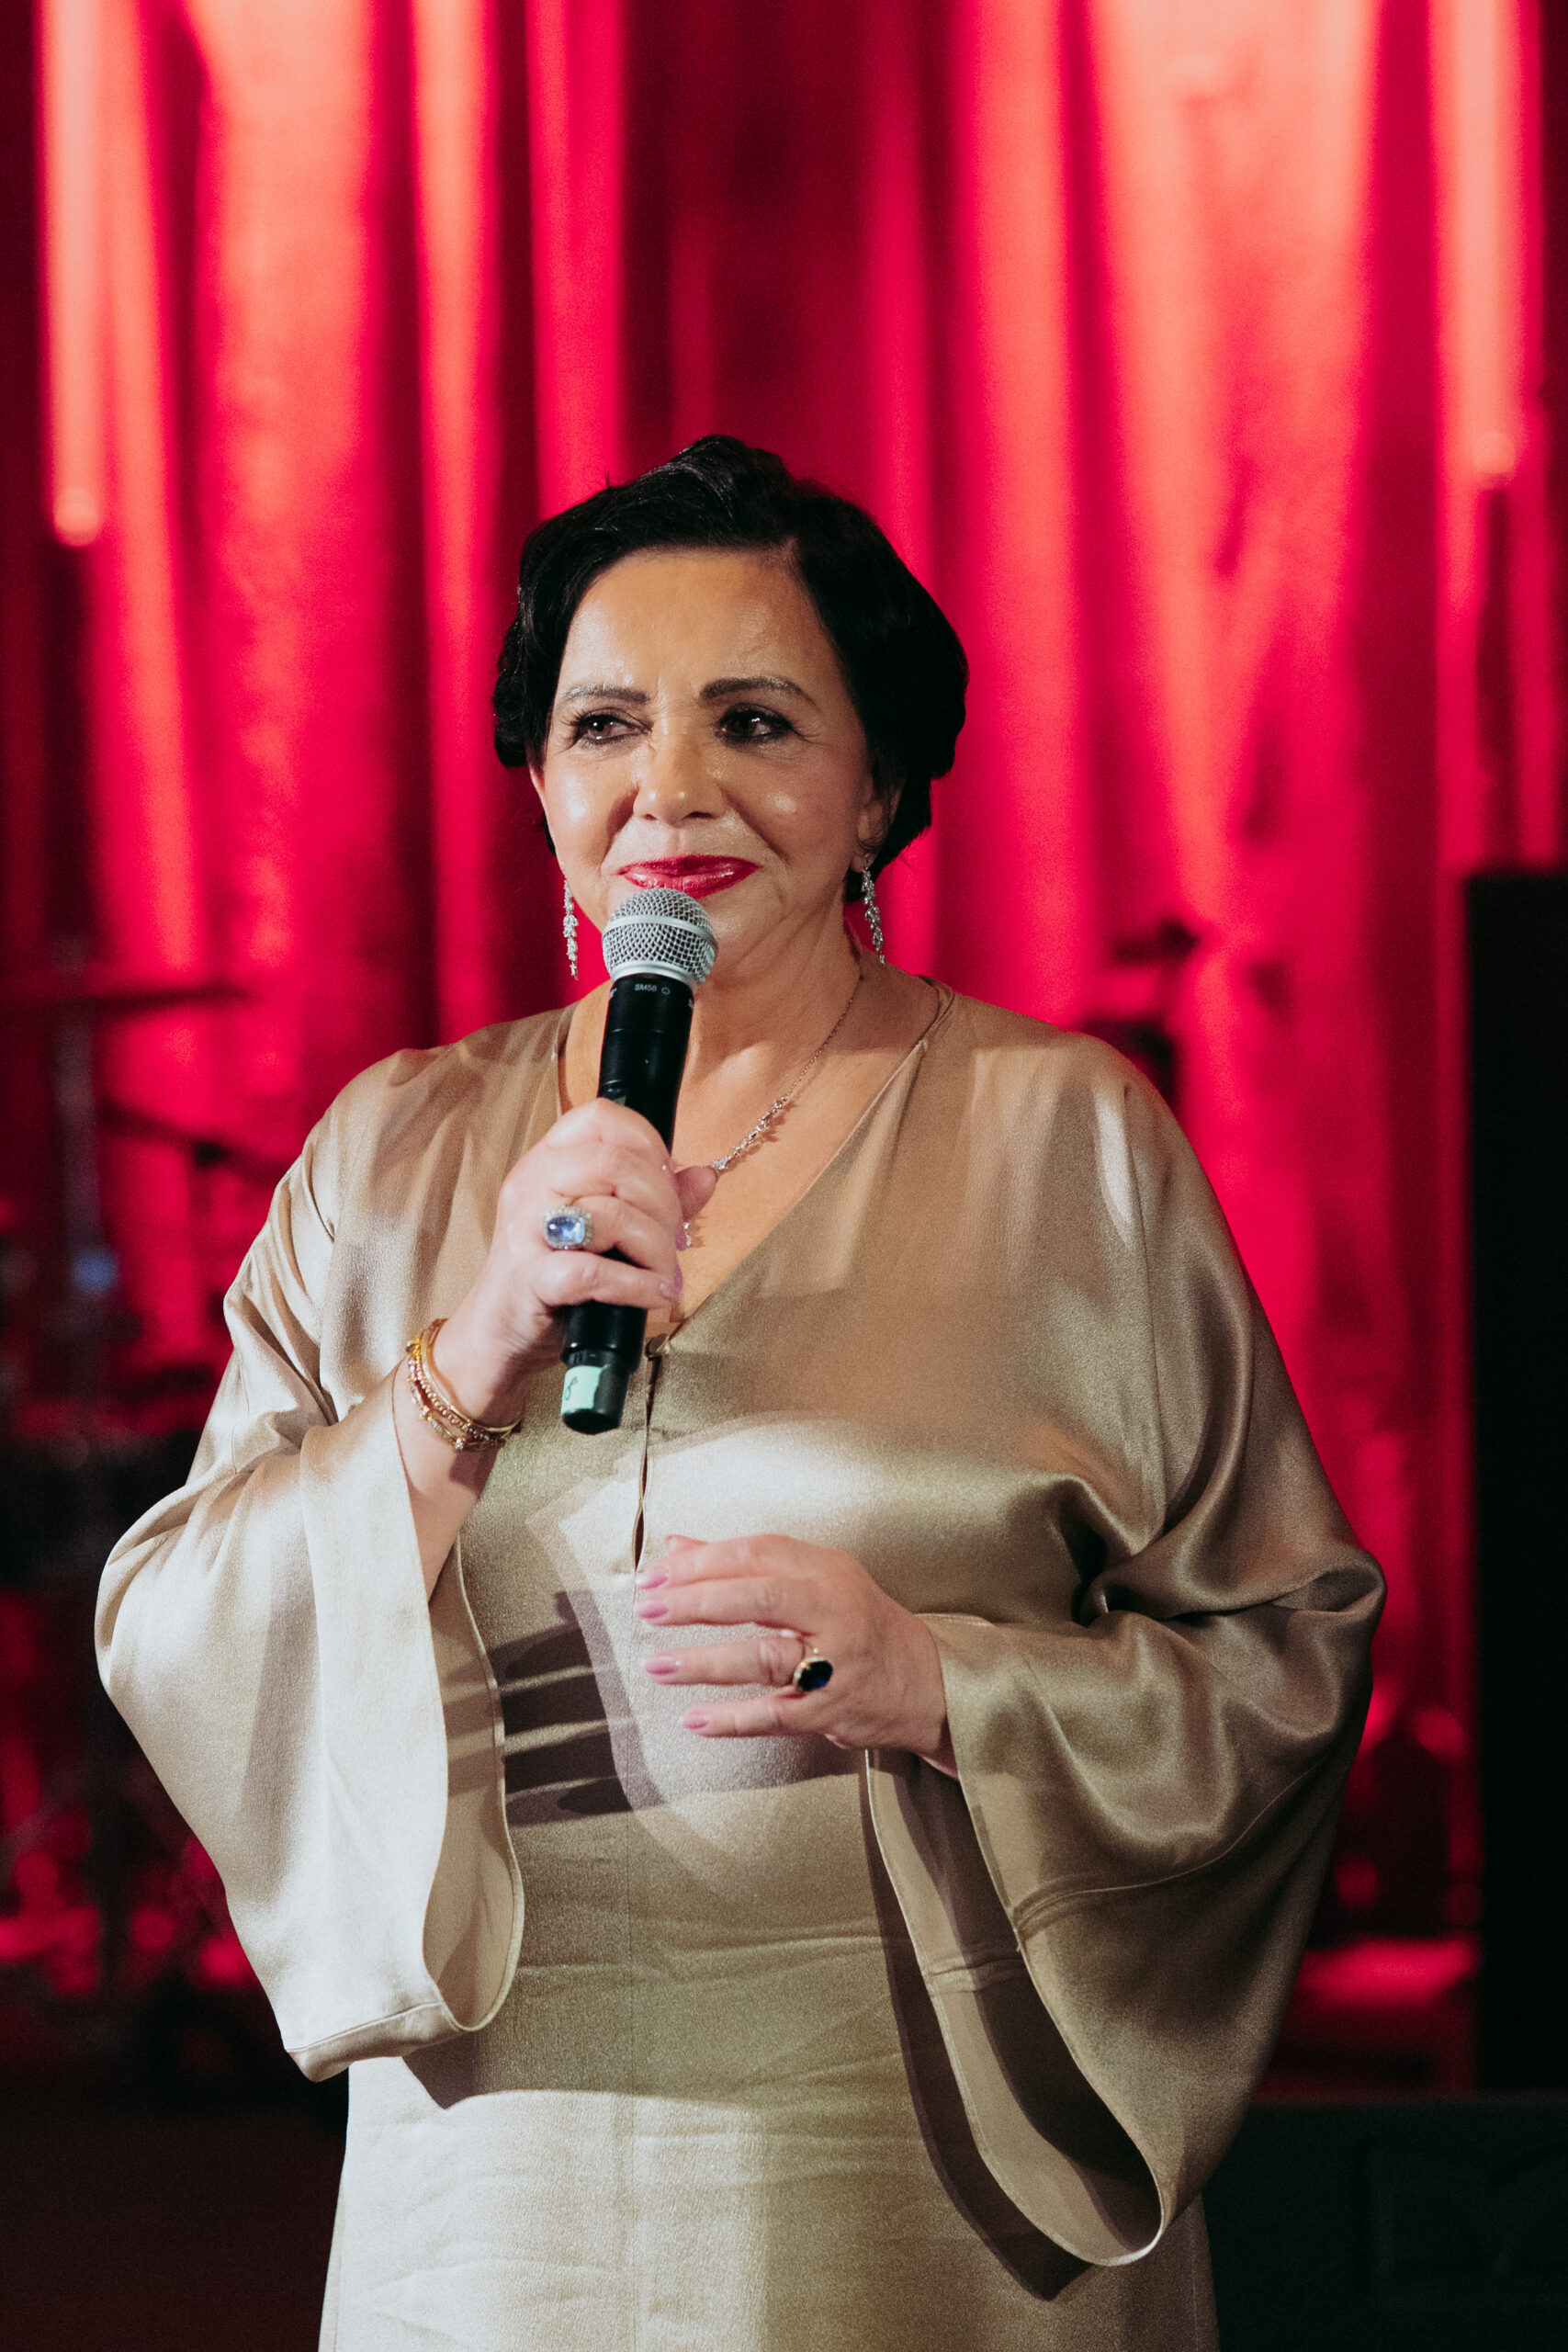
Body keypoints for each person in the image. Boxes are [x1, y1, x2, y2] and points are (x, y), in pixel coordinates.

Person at [97, 435, 1382, 2351]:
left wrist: (946, 1683)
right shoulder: (387, 1153)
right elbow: (173, 1625)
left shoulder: (1064, 1140)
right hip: (492, 2174)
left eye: (755, 721)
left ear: (879, 788)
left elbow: (1281, 1651)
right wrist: (462, 1365)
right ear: (540, 781)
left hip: (915, 2145)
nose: (671, 787)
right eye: (604, 724)